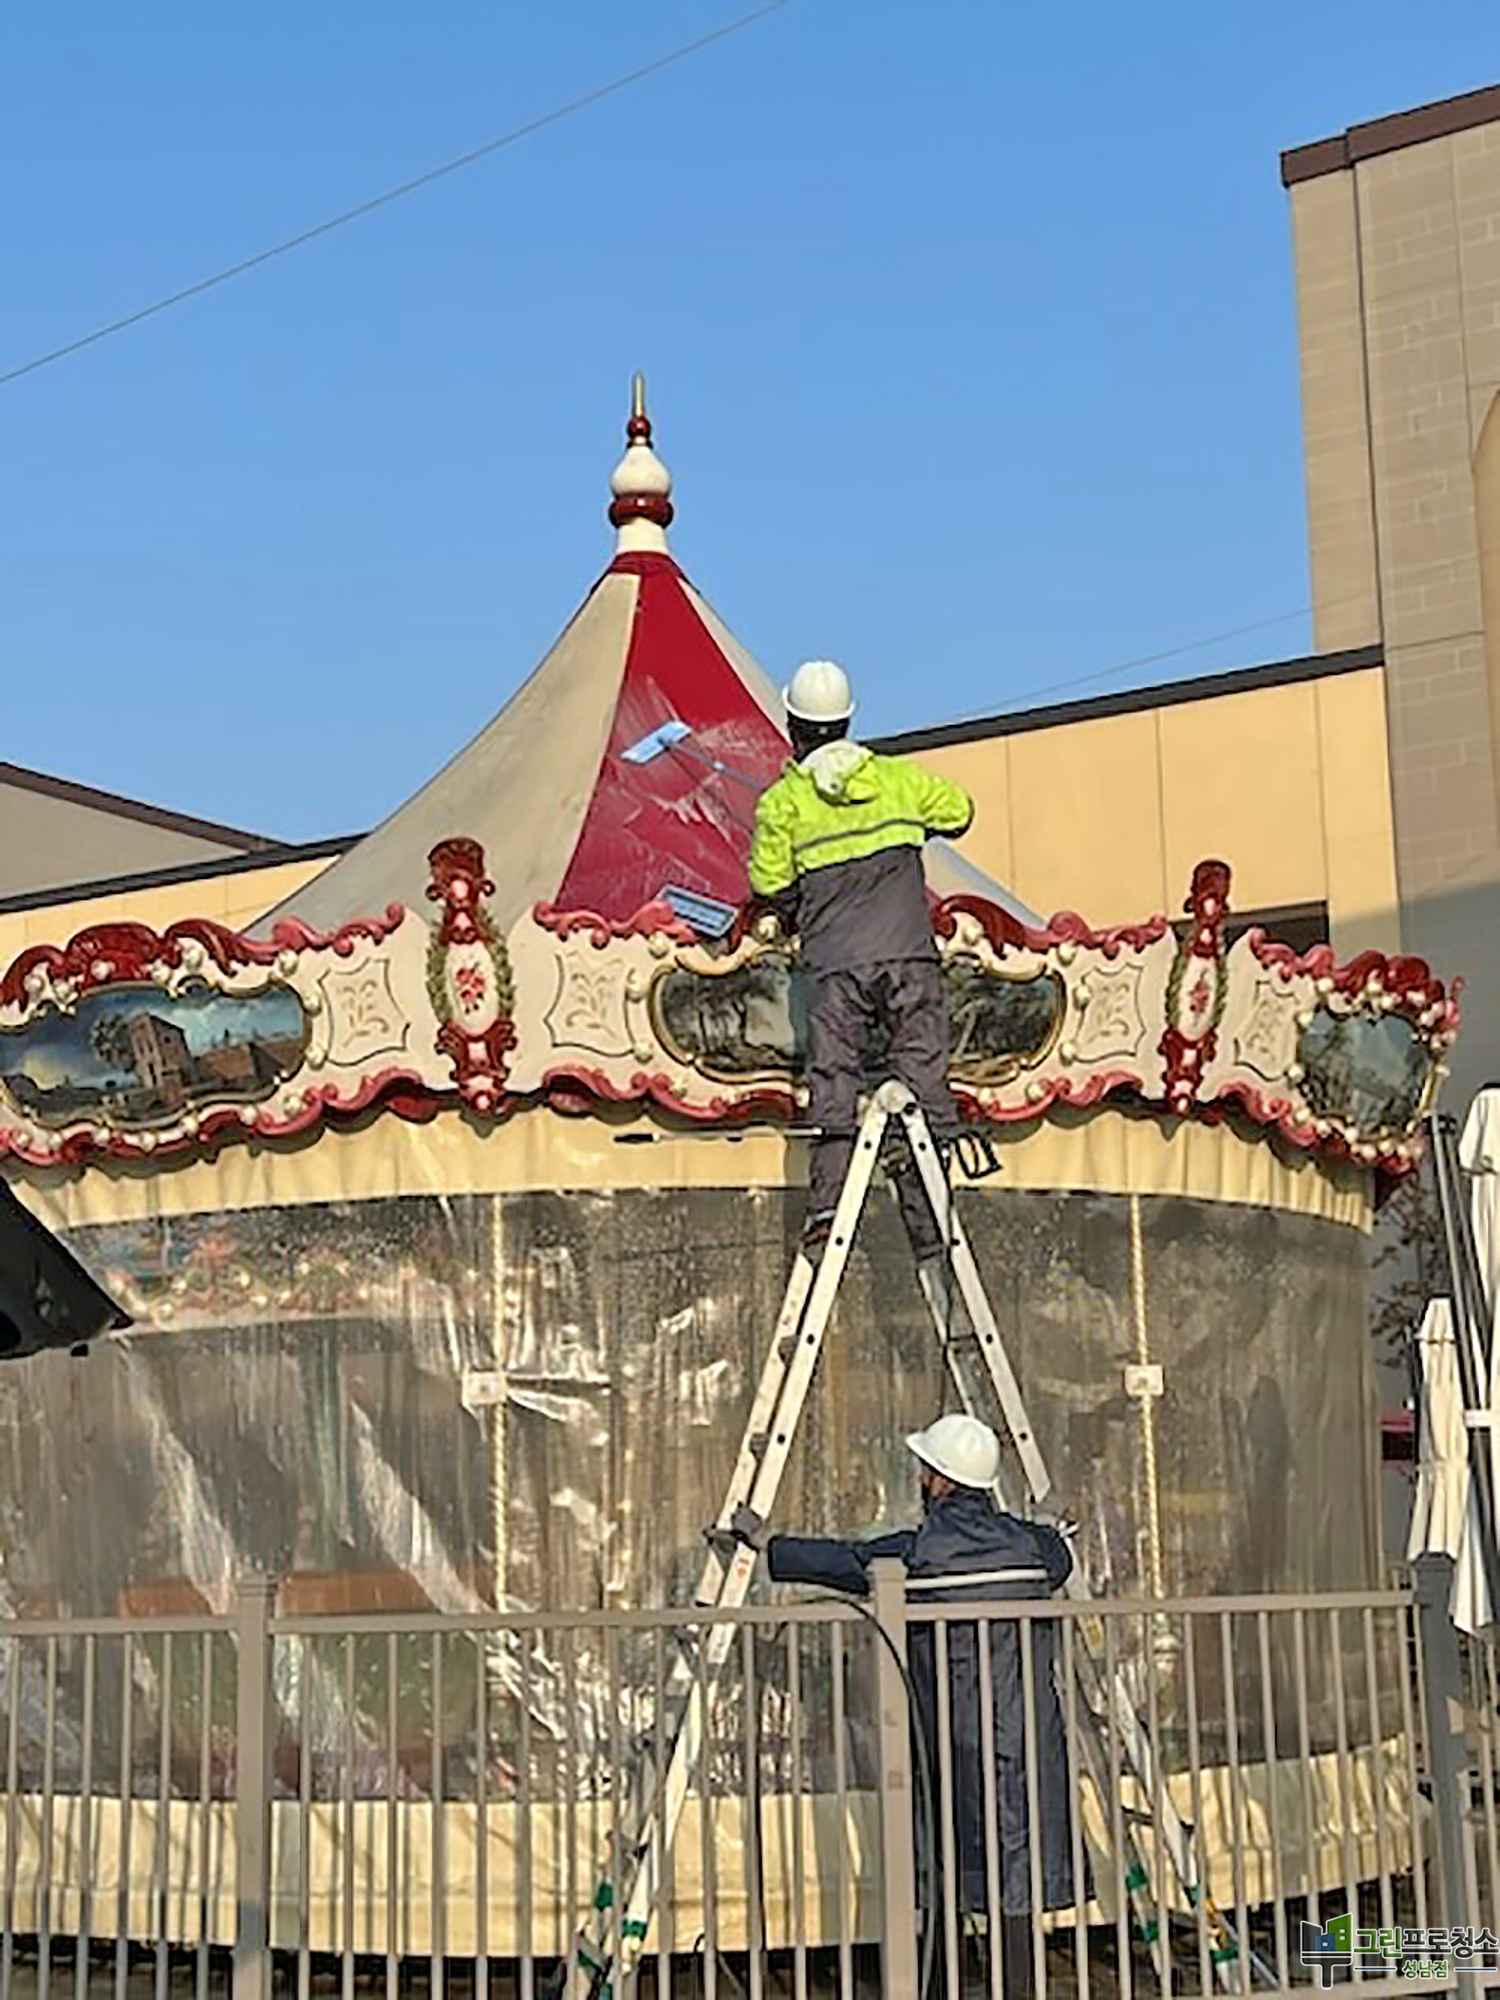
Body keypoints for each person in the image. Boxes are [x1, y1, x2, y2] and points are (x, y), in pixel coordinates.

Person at [715, 1413, 1084, 2000]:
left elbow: (849, 1561)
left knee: (945, 1864)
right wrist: (1059, 1528)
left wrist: (768, 1544)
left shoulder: (919, 1553)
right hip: (1025, 1735)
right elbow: (1060, 1552)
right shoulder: (1031, 1549)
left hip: (952, 1735)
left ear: (939, 1480)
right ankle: (1019, 1988)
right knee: (1016, 1870)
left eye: (924, 1469)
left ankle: (938, 1986)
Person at [747, 659, 977, 1258]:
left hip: (835, 967)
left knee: (834, 1085)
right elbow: (960, 811)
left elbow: (768, 885)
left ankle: (827, 1211)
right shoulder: (900, 780)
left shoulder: (784, 803)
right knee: (923, 1077)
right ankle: (930, 1219)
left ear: (793, 726)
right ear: (848, 720)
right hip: (908, 955)